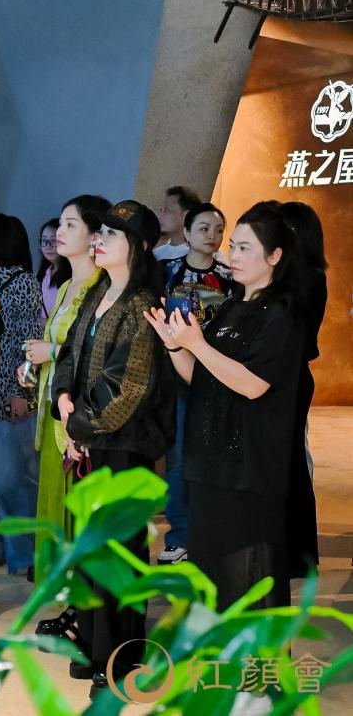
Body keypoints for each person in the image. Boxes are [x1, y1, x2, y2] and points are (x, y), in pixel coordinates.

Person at [144, 203, 302, 611]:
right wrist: (175, 345)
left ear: (275, 255)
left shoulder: (281, 313)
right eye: (234, 246)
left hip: (249, 466)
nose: (234, 254)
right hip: (209, 460)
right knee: (213, 573)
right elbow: (199, 377)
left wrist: (196, 345)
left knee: (249, 576)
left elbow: (253, 385)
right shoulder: (231, 304)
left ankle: (256, 653)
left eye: (246, 248)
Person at [53, 200, 174, 696]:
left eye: (111, 235)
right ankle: (92, 646)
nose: (99, 241)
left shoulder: (143, 304)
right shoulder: (98, 292)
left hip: (124, 446)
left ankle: (121, 657)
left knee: (118, 555)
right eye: (99, 233)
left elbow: (129, 388)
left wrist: (79, 425)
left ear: (139, 247)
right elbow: (68, 355)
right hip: (90, 438)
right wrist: (63, 398)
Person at [25, 195, 109, 579]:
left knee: (77, 502)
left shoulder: (100, 287)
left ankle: (80, 589)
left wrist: (52, 351)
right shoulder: (65, 287)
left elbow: (97, 353)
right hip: (51, 406)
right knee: (52, 495)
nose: (60, 231)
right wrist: (36, 361)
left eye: (71, 224)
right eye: (60, 223)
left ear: (94, 236)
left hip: (79, 411)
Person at [156, 203, 236, 565]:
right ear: (186, 232)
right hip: (173, 376)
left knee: (212, 456)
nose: (212, 236)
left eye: (218, 230)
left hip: (216, 375)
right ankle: (179, 536)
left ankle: (209, 535)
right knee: (177, 460)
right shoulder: (166, 272)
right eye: (203, 228)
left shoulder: (229, 278)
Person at [0, 212, 43, 578]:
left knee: (9, 478)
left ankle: (26, 554)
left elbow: (30, 340)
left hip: (9, 394)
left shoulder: (22, 282)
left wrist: (22, 390)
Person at [279, 201, 325, 578]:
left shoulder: (305, 277)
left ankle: (299, 555)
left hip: (290, 377)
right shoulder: (299, 275)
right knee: (287, 462)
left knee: (291, 464)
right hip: (287, 376)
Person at [153, 185, 201, 260]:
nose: (159, 216)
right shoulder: (156, 255)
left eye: (166, 210)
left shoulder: (202, 257)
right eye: (160, 210)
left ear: (187, 216)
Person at [36, 217, 62, 317]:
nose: (48, 246)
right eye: (44, 240)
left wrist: (41, 322)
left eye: (53, 241)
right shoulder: (43, 274)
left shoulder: (73, 276)